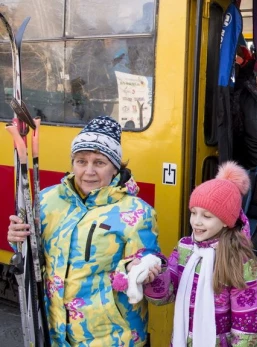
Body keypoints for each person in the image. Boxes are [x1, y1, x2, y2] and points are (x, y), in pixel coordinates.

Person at [6, 116, 162, 346]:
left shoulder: (136, 213)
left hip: (111, 336)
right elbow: (35, 255)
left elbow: (148, 264)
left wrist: (136, 269)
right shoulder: (47, 200)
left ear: (115, 167)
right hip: (54, 330)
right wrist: (18, 239)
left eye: (99, 162)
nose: (88, 171)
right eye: (81, 161)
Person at [143, 161, 257, 346]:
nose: (196, 222)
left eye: (207, 216)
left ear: (226, 221)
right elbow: (167, 292)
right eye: (193, 213)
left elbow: (246, 326)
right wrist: (154, 276)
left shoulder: (240, 261)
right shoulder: (185, 248)